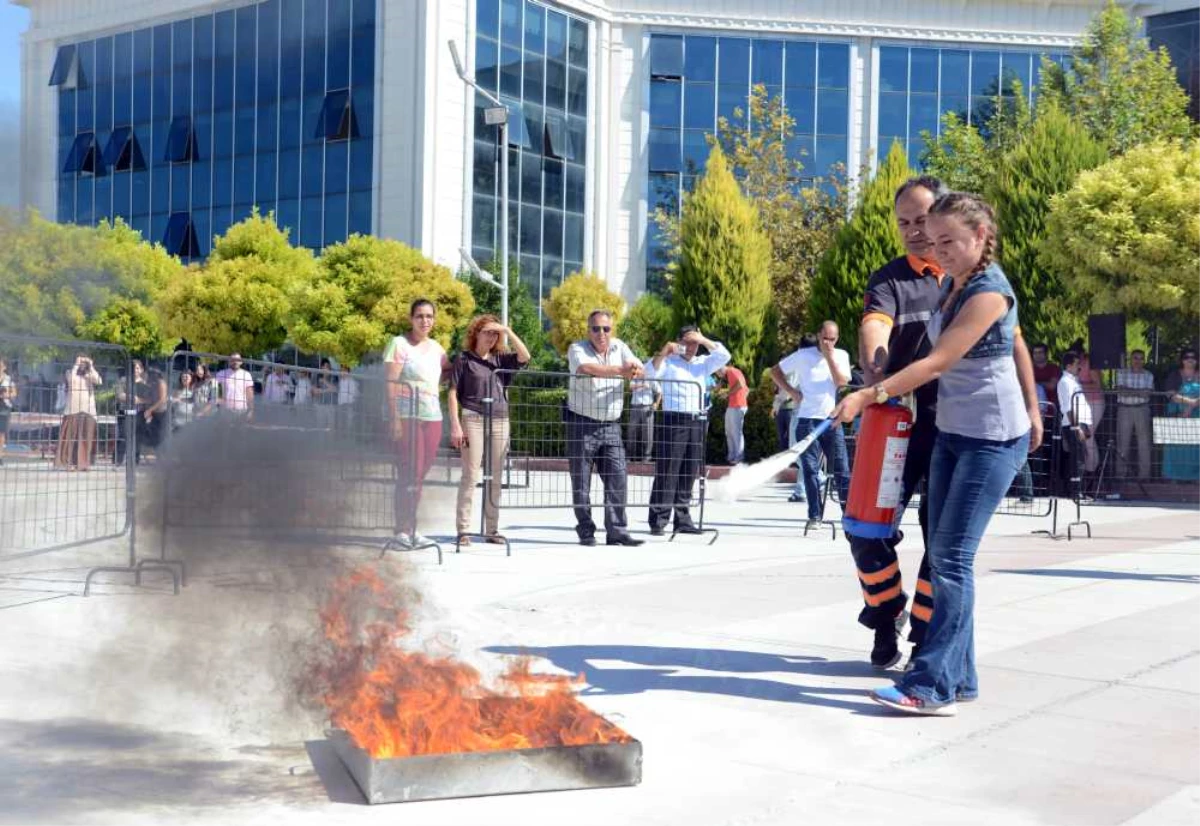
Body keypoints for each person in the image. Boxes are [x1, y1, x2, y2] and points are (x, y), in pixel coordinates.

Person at [836, 191, 1040, 716]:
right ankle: (959, 678)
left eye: (949, 239)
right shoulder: (953, 283)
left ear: (980, 237)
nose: (938, 247)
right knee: (942, 555)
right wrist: (874, 365)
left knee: (950, 560)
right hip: (952, 433)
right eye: (934, 237)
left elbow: (937, 362)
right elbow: (878, 326)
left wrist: (868, 393)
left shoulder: (988, 293)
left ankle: (928, 685)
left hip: (990, 439)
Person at [448, 314, 531, 545]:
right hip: (472, 418)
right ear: (476, 333)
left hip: (500, 420)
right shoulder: (464, 359)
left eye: (495, 333)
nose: (491, 337)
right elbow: (453, 392)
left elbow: (526, 356)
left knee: (496, 476)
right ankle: (463, 529)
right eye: (487, 331)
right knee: (471, 475)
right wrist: (455, 424)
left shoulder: (501, 359)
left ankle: (492, 530)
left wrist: (507, 330)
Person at [565, 310, 645, 547]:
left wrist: (636, 372)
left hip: (611, 424)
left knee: (618, 477)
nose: (601, 333)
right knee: (581, 482)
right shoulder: (576, 348)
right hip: (582, 423)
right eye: (596, 329)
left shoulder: (620, 347)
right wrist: (621, 371)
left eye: (606, 329)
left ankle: (617, 531)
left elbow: (637, 367)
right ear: (588, 330)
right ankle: (586, 531)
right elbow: (586, 368)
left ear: (612, 329)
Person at [645, 325, 730, 536]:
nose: (691, 347)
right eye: (687, 342)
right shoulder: (669, 363)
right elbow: (649, 373)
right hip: (674, 420)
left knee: (689, 471)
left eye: (694, 343)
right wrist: (665, 350)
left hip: (696, 420)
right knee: (668, 470)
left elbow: (724, 355)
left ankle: (682, 519)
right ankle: (658, 519)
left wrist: (703, 340)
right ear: (679, 342)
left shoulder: (702, 363)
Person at [384, 298, 452, 549]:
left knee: (421, 473)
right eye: (420, 316)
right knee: (409, 471)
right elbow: (390, 381)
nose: (425, 321)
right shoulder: (398, 344)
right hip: (406, 415)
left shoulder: (437, 349)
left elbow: (447, 373)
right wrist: (394, 419)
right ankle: (402, 529)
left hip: (432, 416)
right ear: (411, 319)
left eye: (429, 316)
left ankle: (412, 527)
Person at [771, 320, 852, 529]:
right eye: (824, 338)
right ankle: (814, 515)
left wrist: (829, 358)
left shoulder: (841, 355)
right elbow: (775, 371)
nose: (828, 342)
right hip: (806, 420)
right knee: (810, 469)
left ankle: (849, 515)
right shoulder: (803, 355)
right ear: (818, 335)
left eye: (832, 339)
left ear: (837, 338)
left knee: (842, 469)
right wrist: (791, 392)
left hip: (831, 420)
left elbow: (842, 383)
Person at [56, 354, 102, 471]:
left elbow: (99, 380)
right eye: (80, 362)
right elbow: (71, 380)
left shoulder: (89, 375)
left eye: (83, 363)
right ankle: (68, 464)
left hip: (88, 411)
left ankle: (83, 464)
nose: (82, 365)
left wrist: (91, 365)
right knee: (70, 439)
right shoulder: (70, 372)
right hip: (73, 410)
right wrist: (76, 364)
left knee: (86, 439)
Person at [1115, 349, 1154, 479]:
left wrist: (1129, 391)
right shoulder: (1121, 372)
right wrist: (1139, 392)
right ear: (1130, 360)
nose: (1138, 361)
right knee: (1122, 443)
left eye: (1141, 358)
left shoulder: (1149, 375)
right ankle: (1120, 476)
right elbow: (1120, 391)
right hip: (1124, 409)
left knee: (1144, 444)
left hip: (1142, 409)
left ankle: (1144, 476)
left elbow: (1147, 393)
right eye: (1135, 358)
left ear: (1144, 360)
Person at [1057, 352, 1091, 495]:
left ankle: (1076, 490)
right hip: (1073, 425)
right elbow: (1068, 407)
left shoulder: (1073, 381)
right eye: (1077, 364)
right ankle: (1075, 491)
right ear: (1069, 366)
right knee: (1078, 458)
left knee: (1080, 456)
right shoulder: (1065, 382)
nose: (1080, 368)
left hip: (1079, 423)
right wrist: (1076, 427)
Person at [1163, 350, 1200, 481]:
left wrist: (1191, 407)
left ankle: (1196, 478)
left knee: (1196, 450)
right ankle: (1174, 478)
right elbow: (1171, 394)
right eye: (1186, 357)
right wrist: (1191, 402)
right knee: (1175, 449)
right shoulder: (1174, 375)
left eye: (1193, 357)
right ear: (1182, 360)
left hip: (1197, 417)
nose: (1190, 359)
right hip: (1177, 416)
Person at [717, 364, 749, 465]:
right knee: (729, 431)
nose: (718, 375)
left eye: (717, 373)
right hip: (734, 405)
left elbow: (740, 384)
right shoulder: (732, 373)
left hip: (737, 406)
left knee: (735, 432)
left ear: (721, 368)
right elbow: (746, 389)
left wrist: (728, 393)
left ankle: (738, 457)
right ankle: (732, 456)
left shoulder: (732, 371)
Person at [626, 373, 658, 464]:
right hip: (635, 406)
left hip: (647, 407)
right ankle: (629, 455)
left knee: (647, 433)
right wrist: (643, 385)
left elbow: (659, 392)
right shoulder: (635, 378)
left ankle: (646, 457)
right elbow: (630, 387)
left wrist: (656, 404)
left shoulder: (652, 378)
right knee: (631, 431)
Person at [0, 358, 13, 464]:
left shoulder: (8, 379)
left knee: (1, 433)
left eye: (1, 366)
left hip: (4, 407)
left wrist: (6, 395)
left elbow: (14, 393)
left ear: (4, 367)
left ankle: (0, 455)